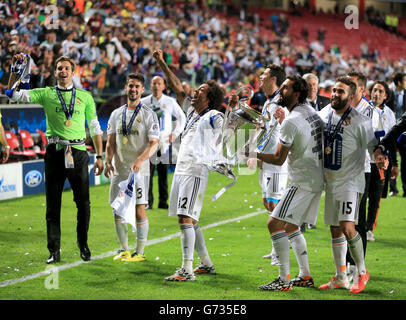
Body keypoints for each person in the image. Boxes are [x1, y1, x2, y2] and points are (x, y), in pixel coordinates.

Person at [7, 54, 104, 264]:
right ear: (55, 72)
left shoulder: (85, 97)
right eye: (59, 68)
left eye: (66, 68)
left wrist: (100, 155)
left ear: (73, 71)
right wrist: (16, 70)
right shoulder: (46, 93)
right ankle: (54, 250)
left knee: (84, 204)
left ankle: (83, 243)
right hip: (55, 152)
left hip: (78, 152)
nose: (63, 71)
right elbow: (14, 95)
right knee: (53, 205)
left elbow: (95, 127)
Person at [153, 49, 224, 282]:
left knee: (185, 217)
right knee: (190, 219)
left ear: (210, 98)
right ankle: (206, 264)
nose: (195, 92)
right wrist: (162, 63)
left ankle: (187, 269)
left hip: (195, 171)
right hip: (182, 170)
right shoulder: (192, 112)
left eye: (201, 90)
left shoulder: (214, 115)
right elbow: (177, 87)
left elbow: (227, 130)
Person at [251, 75, 324, 291]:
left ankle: (283, 280)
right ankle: (305, 275)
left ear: (297, 93)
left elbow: (278, 158)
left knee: (273, 223)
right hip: (314, 177)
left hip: (301, 180)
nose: (281, 91)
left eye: (285, 88)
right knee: (291, 225)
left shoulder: (292, 120)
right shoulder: (309, 111)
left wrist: (254, 154)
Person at [318, 77, 377, 294]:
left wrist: (381, 158)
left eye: (340, 91)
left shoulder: (360, 120)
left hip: (351, 181)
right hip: (331, 180)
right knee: (335, 229)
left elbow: (372, 146)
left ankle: (361, 272)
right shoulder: (324, 114)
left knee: (347, 226)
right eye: (333, 90)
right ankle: (341, 276)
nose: (334, 94)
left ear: (350, 97)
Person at [104, 73, 159, 262]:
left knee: (139, 210)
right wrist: (107, 161)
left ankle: (140, 252)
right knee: (117, 210)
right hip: (119, 171)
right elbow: (110, 142)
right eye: (130, 86)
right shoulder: (116, 114)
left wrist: (141, 160)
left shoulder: (148, 114)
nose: (133, 89)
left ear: (142, 90)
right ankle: (124, 249)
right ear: (126, 88)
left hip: (139, 172)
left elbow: (154, 143)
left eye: (137, 87)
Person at [245, 64, 288, 265]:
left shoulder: (283, 102)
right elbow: (265, 129)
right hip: (265, 159)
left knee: (274, 204)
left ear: (274, 79)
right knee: (267, 203)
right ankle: (275, 248)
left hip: (277, 161)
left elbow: (286, 128)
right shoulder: (268, 102)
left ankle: (280, 252)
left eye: (264, 75)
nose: (260, 77)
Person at [344, 71, 377, 281]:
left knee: (359, 220)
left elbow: (369, 139)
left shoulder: (368, 110)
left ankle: (358, 265)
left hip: (362, 169)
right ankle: (347, 263)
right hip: (342, 170)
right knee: (345, 219)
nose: (348, 88)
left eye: (352, 85)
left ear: (361, 89)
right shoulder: (343, 107)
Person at [141, 75, 186, 209]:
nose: (156, 86)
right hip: (148, 143)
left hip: (164, 143)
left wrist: (175, 133)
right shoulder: (143, 102)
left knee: (163, 174)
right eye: (154, 83)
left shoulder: (170, 101)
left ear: (164, 86)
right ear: (151, 85)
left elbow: (182, 117)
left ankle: (163, 201)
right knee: (147, 174)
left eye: (159, 83)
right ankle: (147, 202)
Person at [365, 81, 395, 242]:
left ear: (386, 96)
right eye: (374, 90)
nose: (376, 93)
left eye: (380, 91)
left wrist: (391, 160)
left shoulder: (389, 114)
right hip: (363, 160)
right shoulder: (363, 109)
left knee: (375, 198)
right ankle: (358, 226)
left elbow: (391, 138)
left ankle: (369, 228)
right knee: (361, 196)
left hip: (380, 162)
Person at [386, 72, 406, 197]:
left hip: (404, 133)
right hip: (392, 130)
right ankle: (393, 188)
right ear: (399, 82)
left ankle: (405, 187)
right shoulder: (389, 95)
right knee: (392, 159)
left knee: (405, 161)